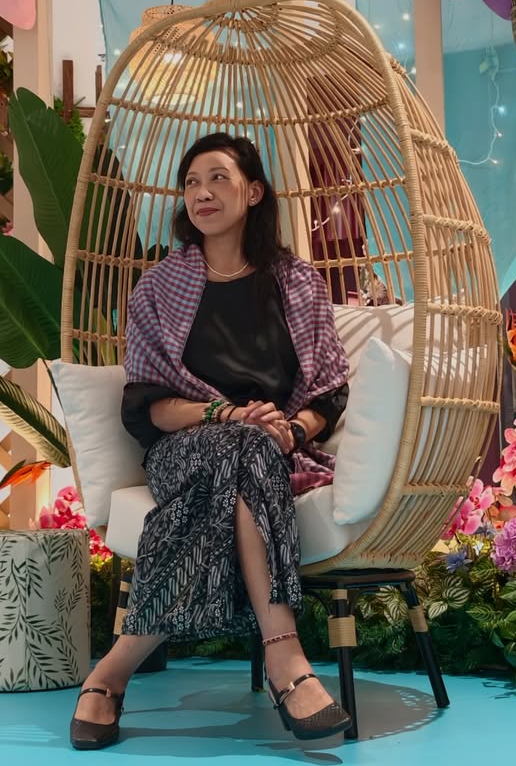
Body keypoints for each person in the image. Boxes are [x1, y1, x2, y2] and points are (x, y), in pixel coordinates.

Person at [70, 133, 352, 751]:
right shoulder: (157, 289)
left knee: (248, 453)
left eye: (218, 177)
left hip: (273, 448)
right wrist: (225, 414)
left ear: (253, 192)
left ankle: (111, 672)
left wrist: (290, 429)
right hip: (185, 446)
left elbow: (328, 395)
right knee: (239, 446)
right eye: (192, 182)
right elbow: (148, 406)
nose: (202, 192)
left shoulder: (298, 284)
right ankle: (286, 659)